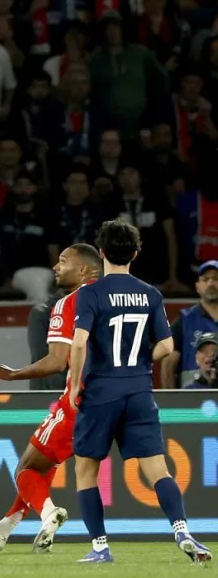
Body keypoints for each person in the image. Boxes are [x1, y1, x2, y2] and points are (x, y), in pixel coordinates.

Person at [68, 220, 211, 564]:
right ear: (134, 253)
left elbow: (79, 343)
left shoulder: (90, 293)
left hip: (101, 390)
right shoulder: (150, 293)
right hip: (139, 390)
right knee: (158, 470)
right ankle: (182, 530)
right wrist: (139, 358)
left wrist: (74, 385)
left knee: (86, 469)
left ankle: (100, 547)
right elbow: (166, 344)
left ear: (101, 253)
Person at [0, 244, 102, 553]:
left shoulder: (69, 304)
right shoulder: (120, 299)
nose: (56, 268)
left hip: (80, 400)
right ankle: (3, 529)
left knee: (26, 469)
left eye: (63, 261)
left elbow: (57, 362)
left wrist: (12, 374)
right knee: (46, 464)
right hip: (123, 398)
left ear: (84, 269)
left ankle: (49, 514)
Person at [161, 261, 218, 388]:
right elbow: (168, 365)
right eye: (205, 279)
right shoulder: (185, 320)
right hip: (191, 403)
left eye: (215, 278)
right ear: (197, 286)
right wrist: (170, 403)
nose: (210, 283)